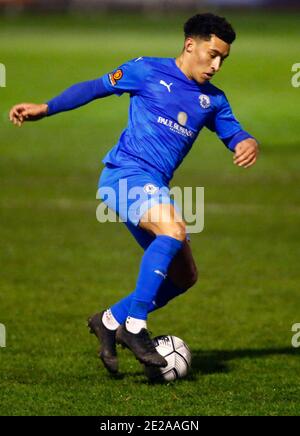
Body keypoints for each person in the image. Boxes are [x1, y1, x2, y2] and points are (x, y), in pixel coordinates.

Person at [9, 13, 259, 375]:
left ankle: (109, 322)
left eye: (223, 59)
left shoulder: (213, 101)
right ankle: (135, 328)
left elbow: (235, 134)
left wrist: (247, 142)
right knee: (173, 230)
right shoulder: (146, 71)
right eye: (212, 54)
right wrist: (46, 108)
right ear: (191, 45)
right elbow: (95, 87)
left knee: (183, 276)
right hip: (125, 174)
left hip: (154, 184)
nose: (217, 65)